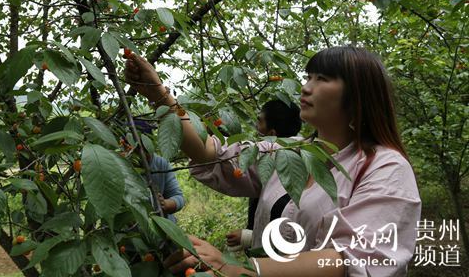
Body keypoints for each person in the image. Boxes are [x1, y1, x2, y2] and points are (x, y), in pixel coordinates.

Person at [124, 46, 421, 277]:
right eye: (308, 77)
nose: (306, 87)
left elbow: (354, 259)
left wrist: (242, 270)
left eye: (323, 79)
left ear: (358, 97)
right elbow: (209, 153)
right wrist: (160, 95)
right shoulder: (287, 152)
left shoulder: (385, 168)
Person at [226, 100, 302, 253]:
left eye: (259, 121)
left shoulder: (280, 165)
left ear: (272, 134)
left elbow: (286, 225)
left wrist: (248, 237)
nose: (256, 125)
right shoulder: (299, 154)